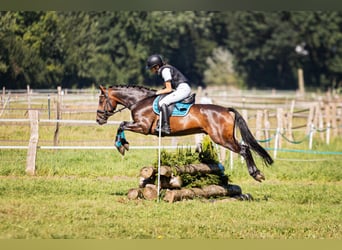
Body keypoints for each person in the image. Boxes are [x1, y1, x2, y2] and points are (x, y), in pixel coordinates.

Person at [146, 54, 191, 135]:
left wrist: (155, 93)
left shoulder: (165, 71)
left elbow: (168, 89)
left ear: (156, 66)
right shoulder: (165, 69)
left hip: (183, 89)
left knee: (162, 102)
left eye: (151, 68)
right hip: (182, 89)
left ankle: (166, 127)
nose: (151, 70)